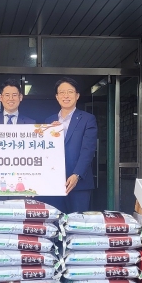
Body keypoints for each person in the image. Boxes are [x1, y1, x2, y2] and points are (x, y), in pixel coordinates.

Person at [45, 77, 97, 214]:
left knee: (77, 222)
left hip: (78, 184)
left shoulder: (87, 119)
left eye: (70, 92)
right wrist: (49, 132)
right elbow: (44, 151)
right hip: (54, 183)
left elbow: (88, 150)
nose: (66, 96)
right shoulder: (49, 121)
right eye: (62, 92)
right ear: (57, 97)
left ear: (77, 95)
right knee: (54, 221)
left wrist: (77, 174)